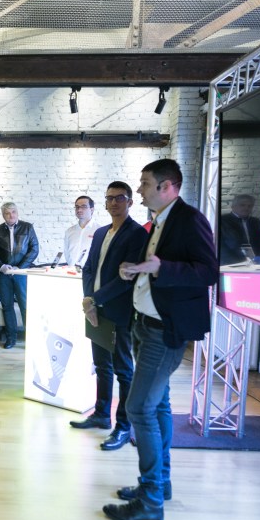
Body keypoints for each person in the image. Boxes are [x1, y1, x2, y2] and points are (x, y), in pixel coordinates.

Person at [103, 159, 217, 520]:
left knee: (138, 408)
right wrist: (135, 270)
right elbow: (155, 267)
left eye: (145, 183)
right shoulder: (159, 221)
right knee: (159, 405)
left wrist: (160, 268)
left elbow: (208, 272)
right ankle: (160, 484)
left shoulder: (189, 219)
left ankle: (150, 501)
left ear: (167, 187)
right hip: (144, 325)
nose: (139, 190)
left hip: (163, 331)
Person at [70, 181, 149, 452]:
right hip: (96, 310)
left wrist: (96, 299)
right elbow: (88, 268)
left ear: (130, 202)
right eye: (110, 198)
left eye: (120, 198)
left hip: (119, 311)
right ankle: (102, 414)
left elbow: (127, 278)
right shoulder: (101, 232)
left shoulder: (136, 234)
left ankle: (124, 426)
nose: (114, 202)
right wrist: (89, 300)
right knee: (101, 365)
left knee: (124, 370)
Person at [0, 202, 39, 349]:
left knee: (25, 306)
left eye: (13, 212)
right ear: (3, 215)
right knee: (7, 306)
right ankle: (11, 338)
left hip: (21, 274)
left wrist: (20, 267)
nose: (11, 215)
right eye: (7, 213)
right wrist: (1, 266)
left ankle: (31, 339)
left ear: (17, 212)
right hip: (3, 274)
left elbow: (34, 249)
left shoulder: (27, 227)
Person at [218, 194, 260, 265]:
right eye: (242, 205)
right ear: (233, 206)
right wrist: (237, 262)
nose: (246, 208)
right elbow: (221, 246)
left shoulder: (255, 221)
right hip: (231, 263)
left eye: (250, 206)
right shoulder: (222, 220)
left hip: (255, 262)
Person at [64, 195, 103, 267]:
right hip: (72, 272)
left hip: (91, 272)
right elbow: (67, 254)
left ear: (92, 210)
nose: (79, 210)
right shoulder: (69, 231)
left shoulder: (99, 231)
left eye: (83, 207)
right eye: (77, 207)